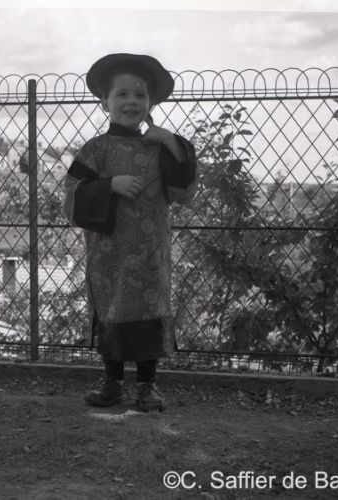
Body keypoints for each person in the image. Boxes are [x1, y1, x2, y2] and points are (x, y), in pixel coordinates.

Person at [63, 53, 198, 411]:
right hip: (109, 252)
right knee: (111, 309)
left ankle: (147, 387)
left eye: (140, 94)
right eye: (122, 94)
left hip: (152, 250)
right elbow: (72, 195)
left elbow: (183, 190)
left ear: (151, 103)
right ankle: (112, 384)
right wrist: (110, 185)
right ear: (104, 101)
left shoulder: (159, 147)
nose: (131, 101)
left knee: (150, 308)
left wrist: (170, 140)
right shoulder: (95, 149)